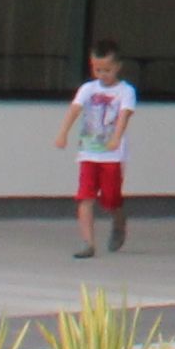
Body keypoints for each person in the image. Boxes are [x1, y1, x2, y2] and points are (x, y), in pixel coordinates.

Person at [61, 47, 136, 259]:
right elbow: (74, 110)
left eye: (107, 70)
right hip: (88, 153)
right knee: (85, 197)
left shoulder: (125, 91)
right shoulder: (88, 89)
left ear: (118, 67)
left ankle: (119, 219)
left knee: (110, 198)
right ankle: (88, 243)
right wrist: (63, 133)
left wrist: (116, 138)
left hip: (112, 155)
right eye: (97, 69)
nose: (102, 74)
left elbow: (124, 116)